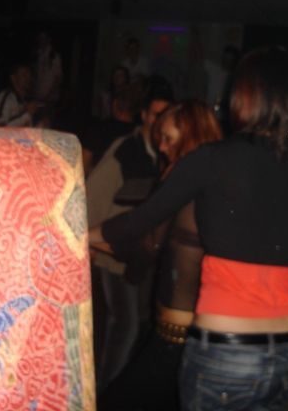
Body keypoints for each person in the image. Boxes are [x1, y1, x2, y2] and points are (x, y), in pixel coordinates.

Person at [90, 48, 288, 410]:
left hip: (227, 346)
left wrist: (80, 235)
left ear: (243, 96)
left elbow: (140, 222)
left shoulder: (211, 159)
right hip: (287, 347)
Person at [97, 100, 223, 411]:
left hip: (178, 330)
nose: (162, 147)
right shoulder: (215, 178)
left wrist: (87, 238)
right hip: (198, 326)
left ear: (191, 134)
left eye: (168, 138)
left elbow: (147, 244)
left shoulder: (186, 176)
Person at [86, 78, 173, 392]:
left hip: (141, 256)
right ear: (144, 115)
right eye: (155, 114)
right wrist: (89, 243)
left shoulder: (166, 155)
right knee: (126, 324)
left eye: (166, 116)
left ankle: (118, 389)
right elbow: (92, 195)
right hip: (112, 253)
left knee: (140, 324)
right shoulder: (127, 150)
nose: (160, 122)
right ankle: (105, 391)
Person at [0, 62, 40, 127]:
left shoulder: (24, 100)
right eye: (24, 74)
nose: (28, 78)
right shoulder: (6, 99)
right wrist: (27, 114)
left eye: (30, 75)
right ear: (13, 78)